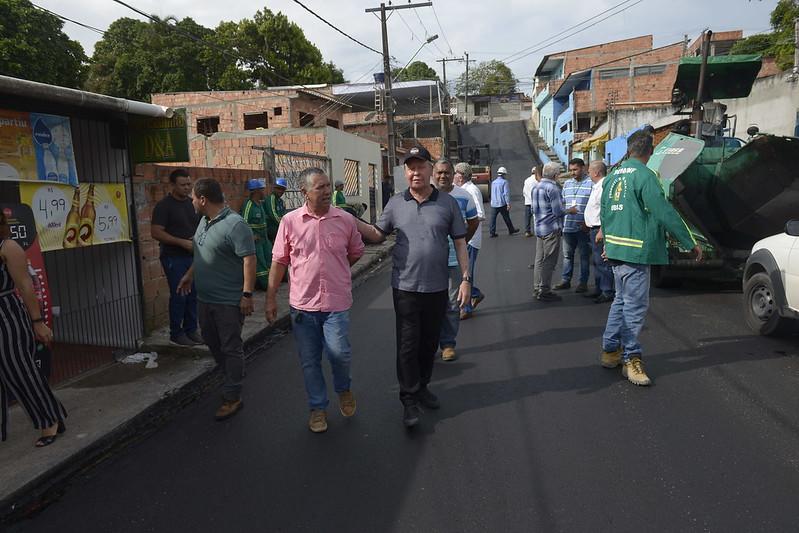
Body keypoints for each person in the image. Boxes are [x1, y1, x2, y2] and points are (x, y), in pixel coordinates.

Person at [354, 146, 470, 428]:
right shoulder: (395, 203)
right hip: (404, 287)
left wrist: (466, 279)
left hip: (437, 286)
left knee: (429, 343)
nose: (415, 172)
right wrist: (352, 221)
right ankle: (408, 400)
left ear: (430, 169)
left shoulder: (448, 203)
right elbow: (378, 235)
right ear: (405, 172)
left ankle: (423, 386)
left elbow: (459, 242)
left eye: (420, 166)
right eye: (410, 167)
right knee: (407, 345)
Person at [599, 130, 702, 386]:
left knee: (620, 303)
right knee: (634, 307)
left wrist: (609, 243)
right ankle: (631, 360)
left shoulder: (612, 177)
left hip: (617, 250)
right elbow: (663, 211)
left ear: (629, 149)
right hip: (636, 251)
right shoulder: (645, 176)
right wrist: (689, 242)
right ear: (650, 151)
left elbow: (606, 214)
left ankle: (610, 352)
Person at [266, 168, 364, 433]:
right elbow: (279, 261)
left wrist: (337, 270)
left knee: (340, 354)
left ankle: (343, 390)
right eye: (319, 187)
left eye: (328, 186)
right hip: (302, 306)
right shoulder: (289, 221)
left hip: (336, 302)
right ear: (304, 192)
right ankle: (318, 408)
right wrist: (271, 297)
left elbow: (356, 252)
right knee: (309, 360)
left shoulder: (345, 220)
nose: (326, 191)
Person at [178, 178, 256, 420]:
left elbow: (249, 259)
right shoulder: (204, 221)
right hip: (205, 299)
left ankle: (233, 395)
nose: (191, 201)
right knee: (213, 342)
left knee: (231, 347)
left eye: (193, 197)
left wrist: (246, 294)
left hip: (228, 302)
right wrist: (190, 275)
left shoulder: (235, 225)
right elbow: (202, 252)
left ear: (203, 199)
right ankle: (232, 377)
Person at [0, 211, 67, 447]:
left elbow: (26, 287)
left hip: (6, 314)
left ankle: (50, 420)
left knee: (20, 371)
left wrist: (37, 322)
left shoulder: (8, 247)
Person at [433, 159, 479, 362]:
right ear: (433, 174)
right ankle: (430, 343)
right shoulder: (427, 195)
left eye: (447, 173)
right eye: (439, 172)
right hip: (429, 263)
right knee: (431, 305)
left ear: (454, 174)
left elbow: (473, 221)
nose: (443, 176)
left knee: (452, 304)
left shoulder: (464, 196)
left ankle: (448, 344)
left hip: (453, 259)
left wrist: (462, 241)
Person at [151, 168, 202, 346]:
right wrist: (181, 242)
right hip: (174, 257)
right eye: (183, 185)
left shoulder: (191, 204)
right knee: (180, 294)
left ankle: (191, 330)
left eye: (189, 184)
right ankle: (176, 332)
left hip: (193, 257)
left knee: (194, 294)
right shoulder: (164, 206)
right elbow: (156, 232)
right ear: (172, 185)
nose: (187, 188)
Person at [554, 158, 593, 293]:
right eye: (570, 170)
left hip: (583, 227)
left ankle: (583, 283)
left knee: (584, 256)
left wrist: (588, 223)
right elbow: (563, 204)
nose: (572, 173)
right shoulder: (567, 184)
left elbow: (594, 205)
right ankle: (566, 280)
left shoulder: (591, 183)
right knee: (567, 256)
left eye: (575, 169)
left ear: (583, 168)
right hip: (568, 227)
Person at [453, 162, 486, 319]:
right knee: (464, 274)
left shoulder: (471, 190)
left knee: (466, 274)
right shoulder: (462, 190)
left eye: (454, 173)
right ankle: (474, 295)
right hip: (465, 238)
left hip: (471, 239)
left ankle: (466, 308)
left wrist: (463, 223)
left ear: (460, 175)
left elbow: (480, 214)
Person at [532, 162, 565, 302]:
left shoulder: (536, 187)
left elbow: (533, 209)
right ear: (555, 175)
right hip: (551, 228)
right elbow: (558, 211)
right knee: (549, 261)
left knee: (539, 259)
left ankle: (537, 287)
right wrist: (570, 210)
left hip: (539, 227)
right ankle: (544, 290)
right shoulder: (553, 188)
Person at [583, 161, 614, 303]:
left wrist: (602, 230)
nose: (588, 173)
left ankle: (607, 290)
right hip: (592, 228)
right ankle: (599, 288)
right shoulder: (597, 186)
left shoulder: (603, 187)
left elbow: (605, 210)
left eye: (589, 171)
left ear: (596, 172)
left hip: (599, 229)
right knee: (596, 261)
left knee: (602, 261)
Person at [240, 179, 272, 291]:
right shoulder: (249, 205)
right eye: (262, 189)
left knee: (269, 259)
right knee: (261, 263)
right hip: (256, 240)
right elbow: (243, 223)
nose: (264, 191)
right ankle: (266, 285)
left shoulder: (260, 204)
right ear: (256, 191)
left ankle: (271, 281)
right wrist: (251, 236)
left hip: (264, 239)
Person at [489, 166, 519, 237]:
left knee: (493, 219)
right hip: (502, 203)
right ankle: (511, 230)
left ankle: (492, 232)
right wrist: (508, 203)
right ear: (503, 174)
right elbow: (506, 194)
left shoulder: (493, 182)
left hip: (494, 203)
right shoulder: (504, 182)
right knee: (506, 217)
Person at [265, 177, 287, 243]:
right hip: (271, 230)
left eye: (282, 189)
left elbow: (284, 215)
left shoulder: (281, 201)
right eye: (278, 188)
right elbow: (273, 214)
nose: (280, 191)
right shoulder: (271, 199)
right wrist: (283, 224)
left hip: (279, 229)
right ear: (274, 188)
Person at [522, 166, 538, 237]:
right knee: (536, 217)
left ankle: (527, 231)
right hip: (536, 201)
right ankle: (537, 231)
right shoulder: (537, 180)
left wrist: (527, 197)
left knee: (527, 217)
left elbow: (524, 191)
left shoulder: (526, 180)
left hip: (528, 201)